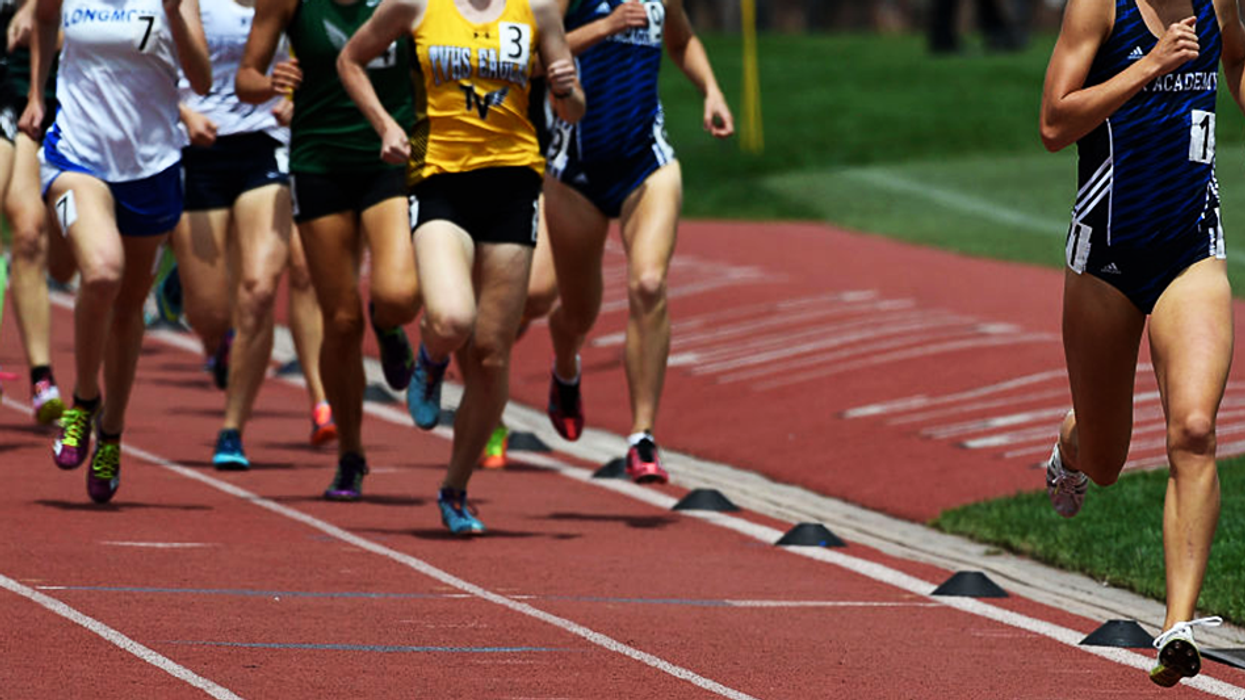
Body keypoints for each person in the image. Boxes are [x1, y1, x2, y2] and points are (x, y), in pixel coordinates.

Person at [1039, 0, 1237, 686]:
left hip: (1191, 253)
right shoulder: (1099, 6)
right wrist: (1149, 66)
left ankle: (1176, 624)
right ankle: (1072, 439)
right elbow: (1052, 123)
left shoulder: (1221, 6)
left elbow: (1236, 66)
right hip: (1104, 261)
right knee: (1105, 458)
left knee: (1194, 428)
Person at [338, 0, 583, 533]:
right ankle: (430, 358)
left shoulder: (537, 10)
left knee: (493, 355)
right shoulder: (416, 5)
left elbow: (573, 109)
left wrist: (565, 86)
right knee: (452, 318)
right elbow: (349, 60)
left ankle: (455, 488)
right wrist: (385, 125)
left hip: (514, 186)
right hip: (440, 179)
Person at [22, 0, 211, 502]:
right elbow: (43, 17)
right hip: (75, 157)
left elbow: (203, 78)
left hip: (151, 168)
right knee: (102, 273)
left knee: (128, 308)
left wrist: (173, 14)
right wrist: (37, 94)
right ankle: (84, 399)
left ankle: (112, 432)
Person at [541, 0, 732, 484]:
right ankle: (566, 368)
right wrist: (606, 26)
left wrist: (710, 90)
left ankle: (642, 436)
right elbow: (538, 51)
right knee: (578, 311)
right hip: (573, 172)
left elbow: (681, 38)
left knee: (648, 284)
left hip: (646, 164)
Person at [237, 0, 419, 498]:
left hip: (390, 156)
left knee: (401, 294)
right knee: (340, 321)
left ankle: (388, 324)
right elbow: (244, 79)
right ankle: (352, 454)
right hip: (319, 163)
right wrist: (272, 81)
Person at [171, 0, 336, 469]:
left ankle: (232, 428)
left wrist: (291, 99)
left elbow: (320, 54)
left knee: (260, 290)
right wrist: (184, 114)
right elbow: (155, 66)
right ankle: (198, 309)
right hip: (197, 145)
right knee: (208, 313)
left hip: (264, 145)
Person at [0, 0, 70, 426]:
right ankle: (42, 376)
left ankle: (42, 377)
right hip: (20, 96)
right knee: (26, 231)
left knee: (45, 249)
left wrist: (33, 8)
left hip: (55, 101)